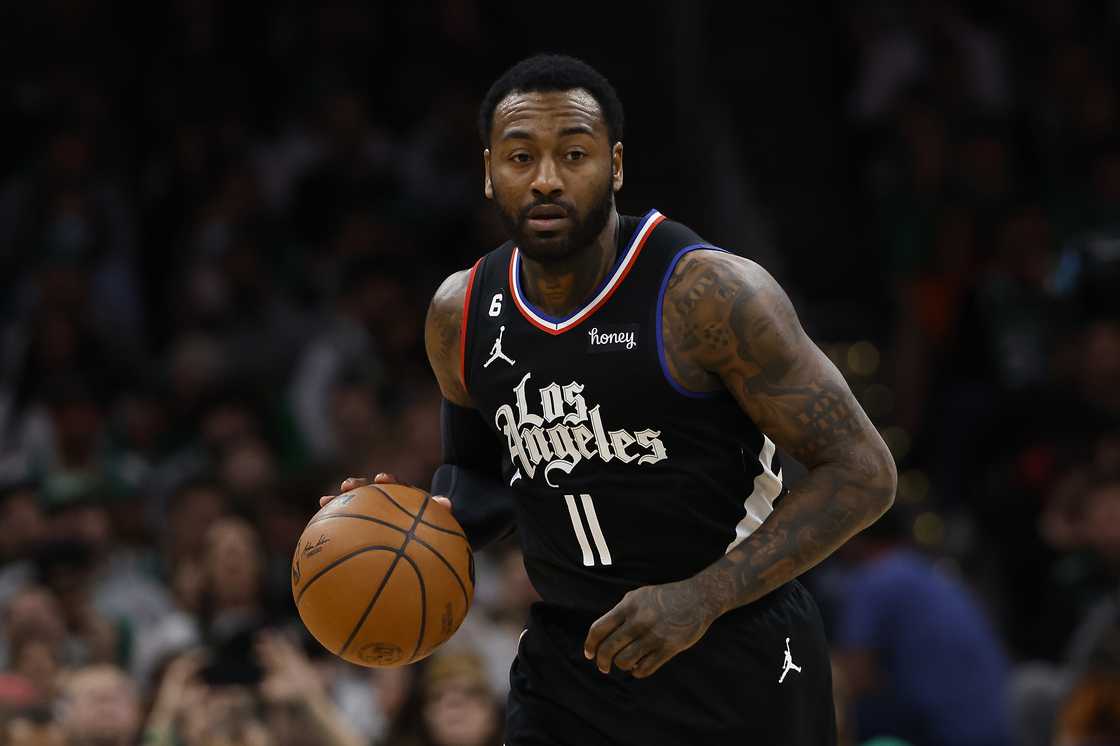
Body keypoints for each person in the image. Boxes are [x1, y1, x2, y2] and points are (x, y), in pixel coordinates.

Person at [321, 54, 896, 744]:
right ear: (489, 171)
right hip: (571, 665)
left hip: (735, 649)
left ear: (615, 166)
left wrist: (702, 597)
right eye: (521, 157)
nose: (546, 179)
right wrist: (411, 523)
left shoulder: (707, 295)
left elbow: (864, 471)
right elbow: (479, 475)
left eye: (573, 154)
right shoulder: (461, 312)